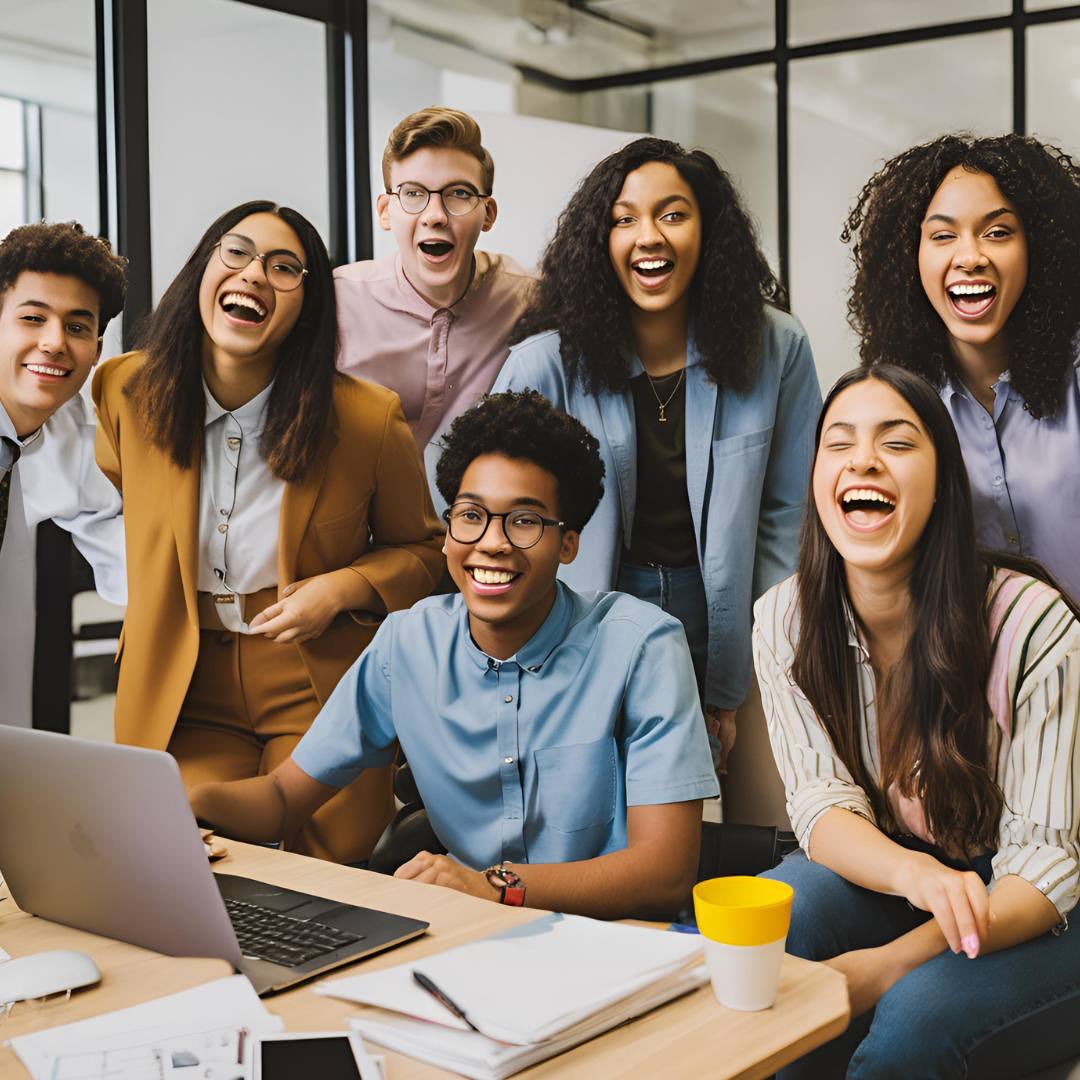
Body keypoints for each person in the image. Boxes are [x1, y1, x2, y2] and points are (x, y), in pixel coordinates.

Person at [189, 390, 719, 919]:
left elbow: (664, 876)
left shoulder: (642, 647)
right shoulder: (406, 644)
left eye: (525, 521)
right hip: (470, 945)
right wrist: (187, 803)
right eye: (471, 516)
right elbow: (282, 800)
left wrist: (493, 887)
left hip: (618, 948)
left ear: (568, 545)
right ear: (447, 535)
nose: (492, 542)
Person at [94, 201, 444, 864]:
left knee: (324, 871)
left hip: (317, 677)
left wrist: (342, 588)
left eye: (285, 268)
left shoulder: (367, 420)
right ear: (204, 268)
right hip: (185, 677)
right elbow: (112, 489)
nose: (254, 275)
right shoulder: (124, 391)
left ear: (307, 306)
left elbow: (427, 552)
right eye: (237, 252)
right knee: (181, 857)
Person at [755, 364, 1080, 1079]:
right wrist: (915, 874)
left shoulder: (1032, 626)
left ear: (942, 485)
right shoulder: (785, 618)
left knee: (913, 1020)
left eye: (896, 444)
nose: (862, 460)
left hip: (1047, 903)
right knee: (785, 913)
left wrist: (890, 963)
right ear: (816, 479)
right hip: (920, 872)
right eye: (838, 444)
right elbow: (821, 803)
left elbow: (1047, 866)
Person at [494, 137, 821, 769]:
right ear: (598, 244)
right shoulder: (540, 366)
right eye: (624, 219)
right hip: (584, 616)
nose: (650, 236)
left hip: (735, 607)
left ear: (710, 233)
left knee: (733, 819)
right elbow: (497, 521)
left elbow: (789, 515)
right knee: (605, 810)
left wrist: (746, 666)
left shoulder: (778, 346)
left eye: (673, 214)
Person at [844, 132, 1080, 600]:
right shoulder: (895, 405)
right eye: (943, 235)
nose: (970, 258)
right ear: (910, 258)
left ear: (1039, 247)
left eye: (997, 232)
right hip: (979, 669)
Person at [334, 107, 534, 506]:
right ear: (385, 212)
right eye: (413, 194)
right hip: (353, 538)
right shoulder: (336, 303)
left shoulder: (528, 299)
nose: (435, 216)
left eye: (459, 194)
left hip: (469, 543)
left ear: (488, 213)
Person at [0, 221, 127, 729]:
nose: (54, 343)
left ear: (96, 351)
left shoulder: (75, 434)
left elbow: (133, 563)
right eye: (33, 318)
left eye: (77, 327)